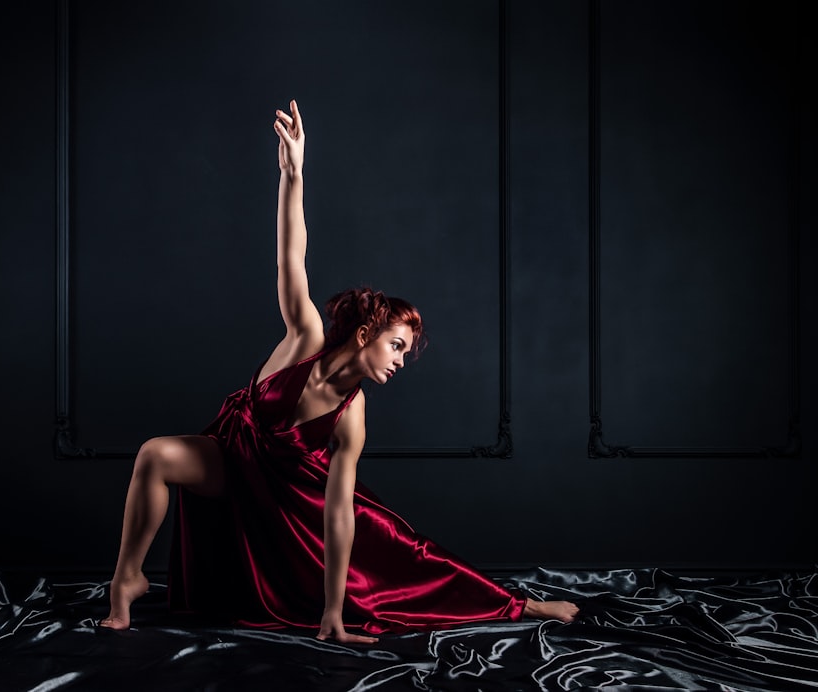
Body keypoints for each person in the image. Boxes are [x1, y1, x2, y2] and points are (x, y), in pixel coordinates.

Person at [100, 100, 578, 641]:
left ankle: (523, 606)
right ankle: (127, 581)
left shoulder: (353, 415)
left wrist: (332, 613)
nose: (401, 360)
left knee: (404, 553)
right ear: (365, 333)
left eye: (405, 352)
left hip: (292, 507)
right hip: (234, 464)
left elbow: (337, 513)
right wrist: (293, 173)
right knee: (155, 454)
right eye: (397, 345)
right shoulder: (305, 336)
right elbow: (291, 256)